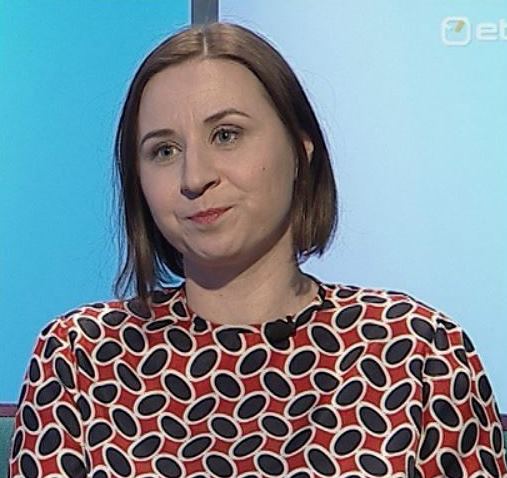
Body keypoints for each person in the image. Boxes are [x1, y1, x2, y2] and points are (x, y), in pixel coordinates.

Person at [8, 21, 507, 478]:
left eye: (226, 135)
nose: (194, 177)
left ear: (300, 151)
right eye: (164, 150)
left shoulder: (419, 352)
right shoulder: (80, 358)